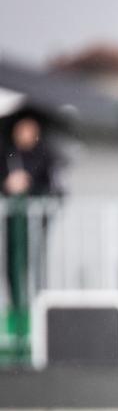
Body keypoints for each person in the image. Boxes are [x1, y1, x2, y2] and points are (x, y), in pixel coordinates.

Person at [1, 112, 58, 313]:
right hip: (13, 221)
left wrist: (30, 185)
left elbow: (53, 188)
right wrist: (8, 185)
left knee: (35, 260)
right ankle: (16, 304)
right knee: (12, 262)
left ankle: (36, 303)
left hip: (35, 221)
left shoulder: (45, 155)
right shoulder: (7, 154)